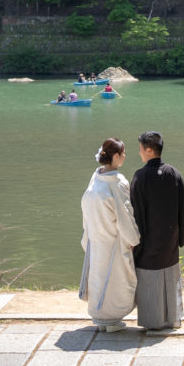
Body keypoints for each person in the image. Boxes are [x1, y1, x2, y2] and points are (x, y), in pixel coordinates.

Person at [130, 131, 184, 330]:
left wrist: (134, 239)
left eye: (140, 149)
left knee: (150, 279)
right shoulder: (174, 173)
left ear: (149, 150)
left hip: (148, 241)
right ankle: (172, 319)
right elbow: (183, 210)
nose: (139, 153)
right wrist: (178, 236)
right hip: (170, 238)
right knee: (170, 277)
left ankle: (152, 322)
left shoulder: (140, 176)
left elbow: (135, 212)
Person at [79, 138, 141, 332]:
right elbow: (125, 216)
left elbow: (86, 207)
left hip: (96, 237)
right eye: (123, 154)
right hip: (113, 240)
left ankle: (101, 318)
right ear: (116, 156)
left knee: (99, 277)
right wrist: (134, 238)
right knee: (115, 280)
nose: (125, 157)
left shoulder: (96, 178)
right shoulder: (118, 182)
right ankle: (111, 320)